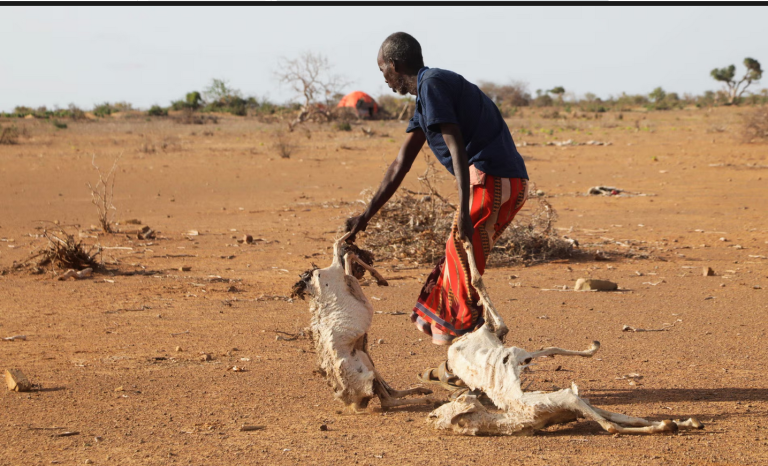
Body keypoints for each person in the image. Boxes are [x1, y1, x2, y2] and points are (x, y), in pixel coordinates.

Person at [346, 32, 529, 383]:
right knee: (455, 269)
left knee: (460, 269)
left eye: (382, 69)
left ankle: (474, 365)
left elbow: (455, 145)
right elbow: (401, 163)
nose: (383, 78)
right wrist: (365, 216)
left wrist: (462, 209)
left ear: (395, 65)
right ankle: (461, 362)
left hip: (492, 182)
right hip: (505, 184)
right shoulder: (427, 96)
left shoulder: (432, 86)